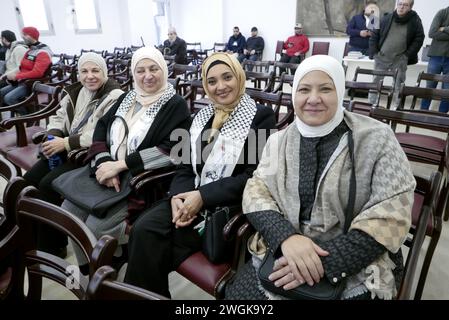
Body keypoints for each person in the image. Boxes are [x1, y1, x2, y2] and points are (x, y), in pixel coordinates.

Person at [226, 55, 415, 300]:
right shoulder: (279, 141)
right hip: (284, 249)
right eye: (304, 89)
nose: (313, 99)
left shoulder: (376, 139)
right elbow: (256, 190)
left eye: (326, 89)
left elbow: (391, 213)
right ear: (294, 94)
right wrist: (285, 237)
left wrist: (320, 262)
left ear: (340, 92)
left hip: (354, 258)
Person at [124, 52, 276, 297]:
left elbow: (251, 177)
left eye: (227, 77)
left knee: (153, 244)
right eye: (212, 81)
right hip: (189, 195)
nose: (220, 86)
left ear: (239, 77)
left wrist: (202, 197)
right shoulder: (202, 116)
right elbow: (185, 165)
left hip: (223, 206)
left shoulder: (260, 117)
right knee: (143, 228)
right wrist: (179, 197)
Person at [60, 47, 191, 275]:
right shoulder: (127, 97)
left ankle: (108, 265)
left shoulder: (175, 104)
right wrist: (103, 162)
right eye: (140, 70)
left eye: (153, 69)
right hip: (106, 172)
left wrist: (121, 165)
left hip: (139, 179)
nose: (147, 76)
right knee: (68, 211)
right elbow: (101, 127)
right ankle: (88, 269)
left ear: (164, 69)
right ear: (133, 73)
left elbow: (173, 151)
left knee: (95, 225)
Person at [23, 52, 124, 257]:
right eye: (84, 71)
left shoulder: (114, 96)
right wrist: (53, 136)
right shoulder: (77, 91)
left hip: (87, 154)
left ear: (104, 73)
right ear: (78, 75)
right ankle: (29, 236)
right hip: (66, 147)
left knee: (48, 185)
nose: (90, 76)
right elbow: (59, 117)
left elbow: (99, 134)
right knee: (29, 180)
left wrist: (65, 143)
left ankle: (52, 246)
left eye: (95, 70)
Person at [368, 0, 424, 108]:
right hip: (382, 57)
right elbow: (374, 35)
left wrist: (407, 55)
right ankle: (371, 106)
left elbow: (419, 39)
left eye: (405, 5)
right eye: (400, 4)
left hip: (400, 59)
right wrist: (375, 53)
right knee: (375, 83)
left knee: (399, 85)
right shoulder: (386, 18)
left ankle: (396, 108)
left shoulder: (415, 21)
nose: (401, 7)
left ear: (410, 7)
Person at [0, 27, 53, 109]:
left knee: (9, 98)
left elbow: (37, 73)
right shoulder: (30, 50)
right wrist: (7, 75)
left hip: (32, 83)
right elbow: (21, 67)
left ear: (32, 36)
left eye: (25, 34)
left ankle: (28, 117)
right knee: (1, 93)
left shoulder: (43, 52)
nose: (22, 37)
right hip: (23, 81)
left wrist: (16, 76)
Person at [421, 6, 449, 113]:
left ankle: (442, 115)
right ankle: (423, 112)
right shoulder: (442, 13)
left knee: (447, 91)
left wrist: (444, 29)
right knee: (430, 86)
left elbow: (437, 32)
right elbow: (432, 33)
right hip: (436, 56)